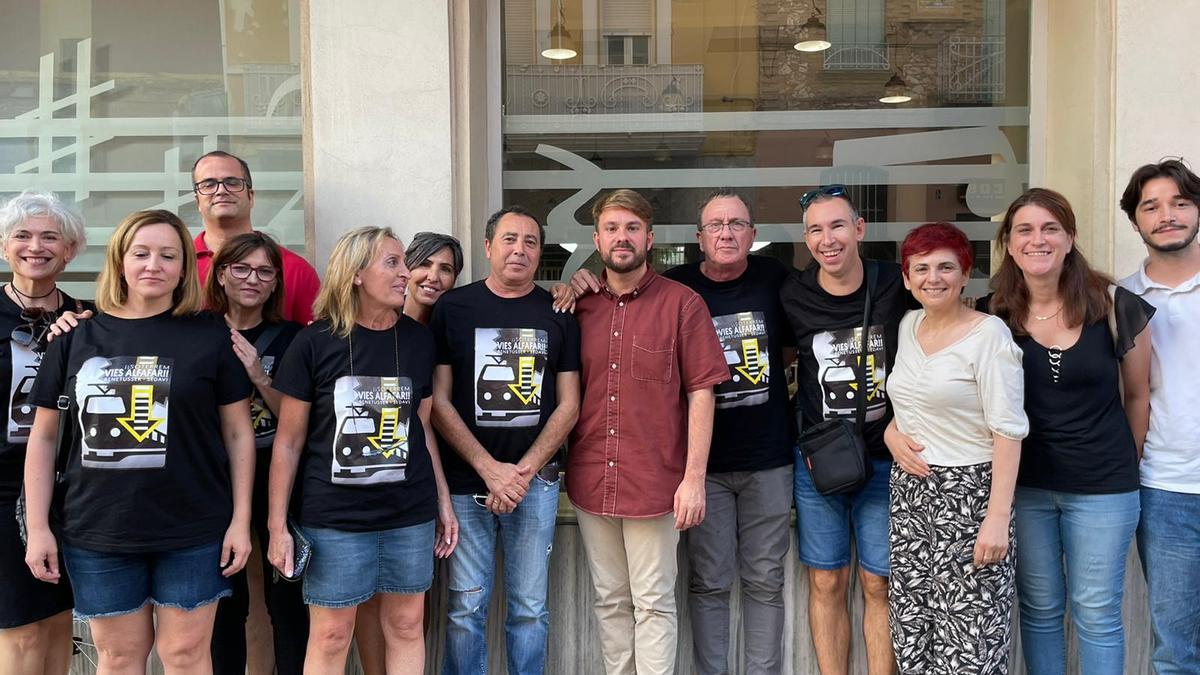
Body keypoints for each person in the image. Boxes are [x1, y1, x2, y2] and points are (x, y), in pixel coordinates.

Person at [24, 209, 256, 673]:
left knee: (186, 656)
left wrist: (241, 521)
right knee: (119, 658)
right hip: (98, 529)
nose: (154, 265)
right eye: (141, 253)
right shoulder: (75, 337)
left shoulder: (210, 336)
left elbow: (238, 433)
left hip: (193, 529)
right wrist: (39, 528)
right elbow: (45, 438)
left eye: (168, 255)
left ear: (184, 268)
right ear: (120, 261)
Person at [266, 226, 458, 673]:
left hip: (408, 513)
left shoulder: (417, 339)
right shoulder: (314, 343)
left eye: (402, 263)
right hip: (333, 518)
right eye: (392, 263)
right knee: (332, 634)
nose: (405, 274)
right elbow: (289, 440)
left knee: (408, 625)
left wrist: (442, 501)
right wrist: (277, 526)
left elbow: (423, 429)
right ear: (355, 274)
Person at [981, 188, 1152, 674]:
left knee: (1097, 614)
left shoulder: (1115, 304)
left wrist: (1124, 463)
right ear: (1009, 245)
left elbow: (1138, 395)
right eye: (1025, 230)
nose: (1039, 240)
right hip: (1026, 488)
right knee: (1038, 612)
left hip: (1103, 490)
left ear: (1070, 238)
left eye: (1051, 228)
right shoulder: (992, 314)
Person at [567, 189, 728, 675]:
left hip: (656, 483)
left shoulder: (683, 305)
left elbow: (702, 391)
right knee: (610, 600)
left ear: (649, 238)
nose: (622, 238)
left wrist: (693, 479)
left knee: (655, 603)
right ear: (597, 239)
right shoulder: (578, 307)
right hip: (591, 478)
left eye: (632, 228)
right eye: (612, 229)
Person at [432, 207, 580, 675]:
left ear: (541, 253)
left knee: (530, 609)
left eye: (531, 242)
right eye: (510, 239)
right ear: (488, 246)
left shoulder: (557, 311)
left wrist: (522, 472)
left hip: (534, 486)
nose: (520, 249)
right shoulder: (453, 308)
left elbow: (570, 404)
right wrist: (488, 469)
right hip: (464, 483)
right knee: (463, 610)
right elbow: (437, 400)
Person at [885, 222, 1027, 674]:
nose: (934, 277)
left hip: (969, 498)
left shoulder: (990, 336)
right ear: (906, 278)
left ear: (966, 275)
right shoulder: (909, 325)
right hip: (911, 498)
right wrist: (891, 434)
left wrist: (997, 519)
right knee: (914, 634)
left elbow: (1008, 431)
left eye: (946, 267)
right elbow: (909, 403)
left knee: (971, 641)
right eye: (921, 268)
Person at [779, 185, 907, 675]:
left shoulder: (896, 283)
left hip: (884, 461)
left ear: (859, 229)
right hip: (820, 464)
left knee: (880, 584)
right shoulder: (792, 293)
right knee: (827, 582)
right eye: (815, 229)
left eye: (836, 226)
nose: (826, 239)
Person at [665, 190, 794, 675]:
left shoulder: (776, 279)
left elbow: (791, 350)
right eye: (716, 225)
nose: (726, 233)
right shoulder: (674, 287)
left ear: (753, 235)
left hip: (769, 460)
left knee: (765, 580)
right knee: (709, 581)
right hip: (703, 469)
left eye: (737, 224)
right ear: (699, 237)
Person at [354, 230, 464, 675]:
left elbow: (426, 421)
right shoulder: (366, 324)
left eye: (447, 270)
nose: (433, 277)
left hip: (417, 483)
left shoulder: (440, 330)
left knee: (409, 613)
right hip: (360, 482)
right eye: (424, 264)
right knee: (366, 602)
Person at [206, 232, 308, 675]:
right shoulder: (198, 330)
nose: (252, 279)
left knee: (288, 603)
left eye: (264, 271)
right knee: (226, 605)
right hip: (214, 482)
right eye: (241, 268)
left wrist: (257, 374)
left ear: (275, 284)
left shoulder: (293, 339)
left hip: (281, 480)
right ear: (222, 274)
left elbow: (299, 422)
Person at [1118, 158, 1200, 674]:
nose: (1166, 215)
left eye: (1180, 202)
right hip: (1166, 489)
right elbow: (1127, 396)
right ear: (1136, 221)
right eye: (1152, 206)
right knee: (1176, 650)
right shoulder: (1121, 300)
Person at [0, 192, 86, 675]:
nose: (36, 246)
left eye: (50, 236)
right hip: (4, 485)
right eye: (23, 236)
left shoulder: (88, 319)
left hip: (71, 489)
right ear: (4, 247)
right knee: (22, 628)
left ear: (70, 250)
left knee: (58, 619)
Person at [191, 151, 320, 324]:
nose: (221, 190)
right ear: (197, 201)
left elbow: (317, 345)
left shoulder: (295, 269)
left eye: (232, 182)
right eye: (209, 184)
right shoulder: (178, 266)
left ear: (251, 197)